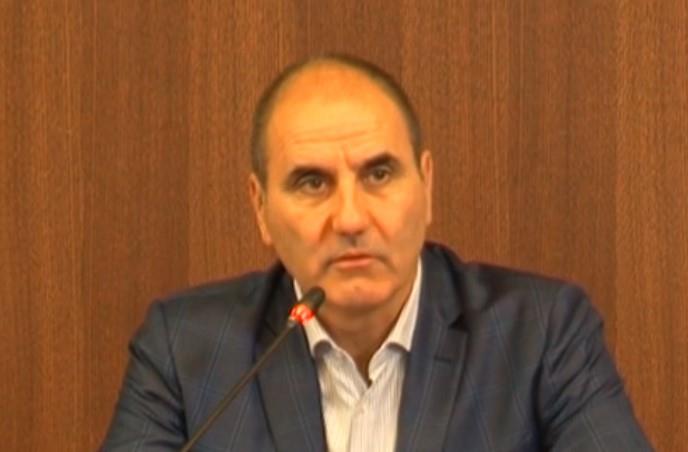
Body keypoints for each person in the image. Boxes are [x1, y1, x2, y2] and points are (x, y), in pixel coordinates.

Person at [102, 54, 652, 451]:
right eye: (312, 182)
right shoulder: (186, 350)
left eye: (379, 174)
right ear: (261, 207)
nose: (351, 218)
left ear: (426, 186)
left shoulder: (542, 334)